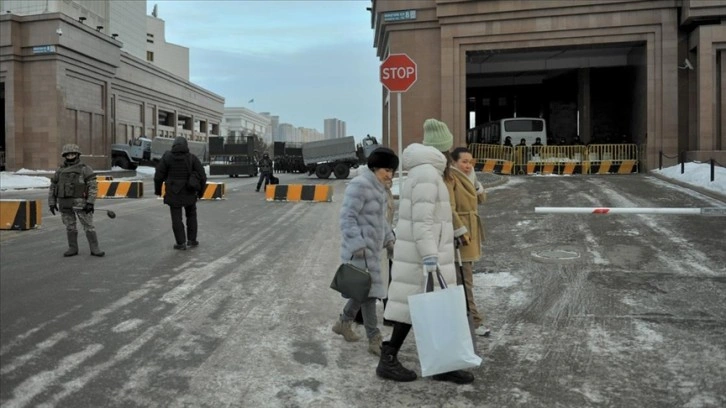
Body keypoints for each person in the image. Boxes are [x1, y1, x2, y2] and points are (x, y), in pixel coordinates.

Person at [378, 118, 475, 384]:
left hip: (431, 253)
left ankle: (441, 363)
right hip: (424, 256)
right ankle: (388, 359)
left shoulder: (429, 173)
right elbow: (422, 221)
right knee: (418, 309)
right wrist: (431, 255)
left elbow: (435, 216)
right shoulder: (427, 174)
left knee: (431, 309)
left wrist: (453, 234)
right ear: (443, 148)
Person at [333, 147, 398, 356]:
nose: (389, 175)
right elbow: (347, 217)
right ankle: (374, 339)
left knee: (363, 292)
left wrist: (389, 238)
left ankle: (344, 322)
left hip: (373, 251)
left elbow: (379, 220)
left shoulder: (378, 188)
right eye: (386, 170)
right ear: (374, 167)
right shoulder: (360, 185)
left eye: (392, 171)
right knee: (370, 294)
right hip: (360, 251)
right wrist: (357, 243)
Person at [446, 147, 490, 337]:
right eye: (464, 161)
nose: (468, 165)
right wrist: (459, 231)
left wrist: (476, 183)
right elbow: (450, 207)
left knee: (463, 278)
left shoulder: (470, 177)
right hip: (461, 235)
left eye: (470, 162)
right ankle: (473, 320)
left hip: (470, 230)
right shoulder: (451, 178)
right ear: (454, 162)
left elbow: (481, 199)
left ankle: (465, 319)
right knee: (465, 279)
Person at [48, 143, 105, 257]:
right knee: (70, 226)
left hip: (81, 203)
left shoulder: (85, 169)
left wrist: (90, 202)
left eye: (73, 154)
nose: (70, 156)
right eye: (68, 155)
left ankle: (95, 248)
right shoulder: (59, 170)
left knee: (88, 225)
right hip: (65, 203)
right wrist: (52, 202)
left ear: (77, 155)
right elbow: (53, 187)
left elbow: (93, 186)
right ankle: (72, 248)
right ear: (64, 156)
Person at [154, 136, 207, 250]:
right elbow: (203, 176)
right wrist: (201, 193)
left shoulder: (167, 157)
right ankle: (192, 240)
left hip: (173, 192)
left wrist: (158, 190)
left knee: (176, 218)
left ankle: (181, 243)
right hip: (189, 191)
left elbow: (158, 176)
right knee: (191, 215)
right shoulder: (192, 158)